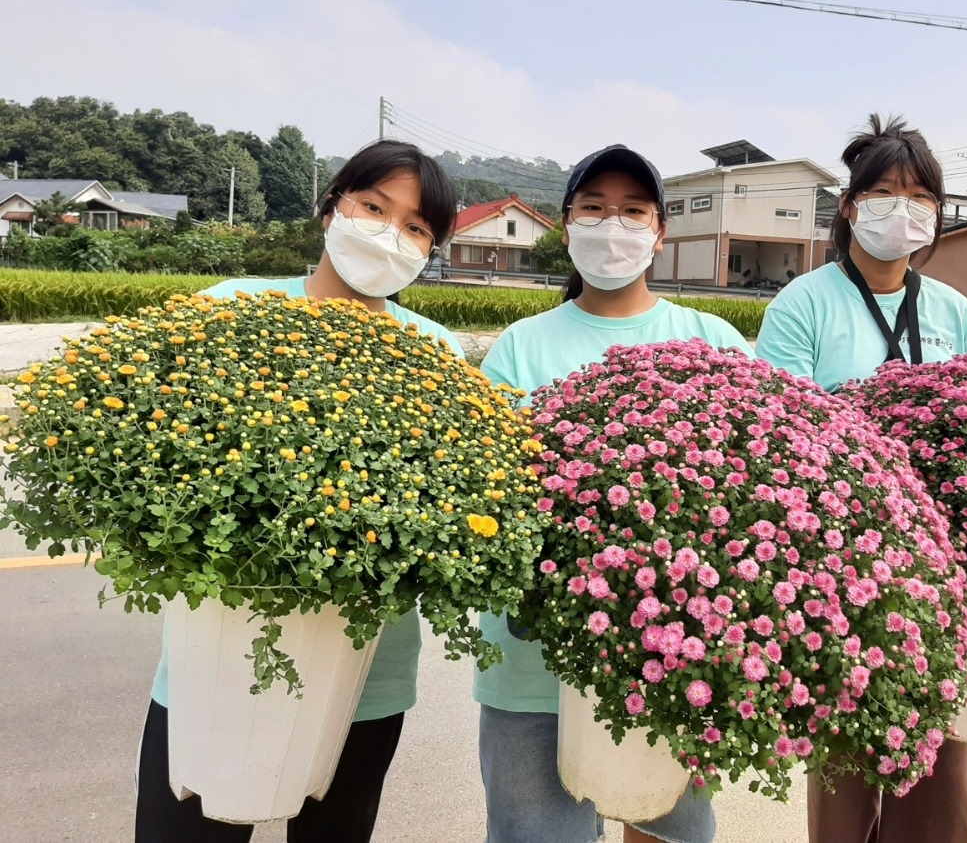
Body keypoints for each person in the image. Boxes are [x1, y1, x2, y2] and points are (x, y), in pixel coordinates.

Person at [134, 140, 465, 843]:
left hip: (366, 682)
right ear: (331, 207)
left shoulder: (435, 351)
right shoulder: (228, 310)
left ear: (429, 248)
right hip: (216, 658)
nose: (388, 234)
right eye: (373, 208)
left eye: (414, 227)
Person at [474, 144, 752, 843]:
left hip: (678, 655)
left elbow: (757, 490)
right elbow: (489, 495)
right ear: (566, 225)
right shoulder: (521, 345)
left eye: (633, 211)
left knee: (669, 830)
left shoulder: (710, 340)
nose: (613, 225)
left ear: (659, 232)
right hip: (532, 666)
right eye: (593, 209)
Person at [755, 113, 967, 843]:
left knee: (947, 783)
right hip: (843, 579)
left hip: (951, 577)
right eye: (886, 191)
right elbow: (779, 433)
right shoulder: (805, 303)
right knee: (846, 784)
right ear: (851, 205)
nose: (904, 209)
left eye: (921, 196)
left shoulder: (954, 312)